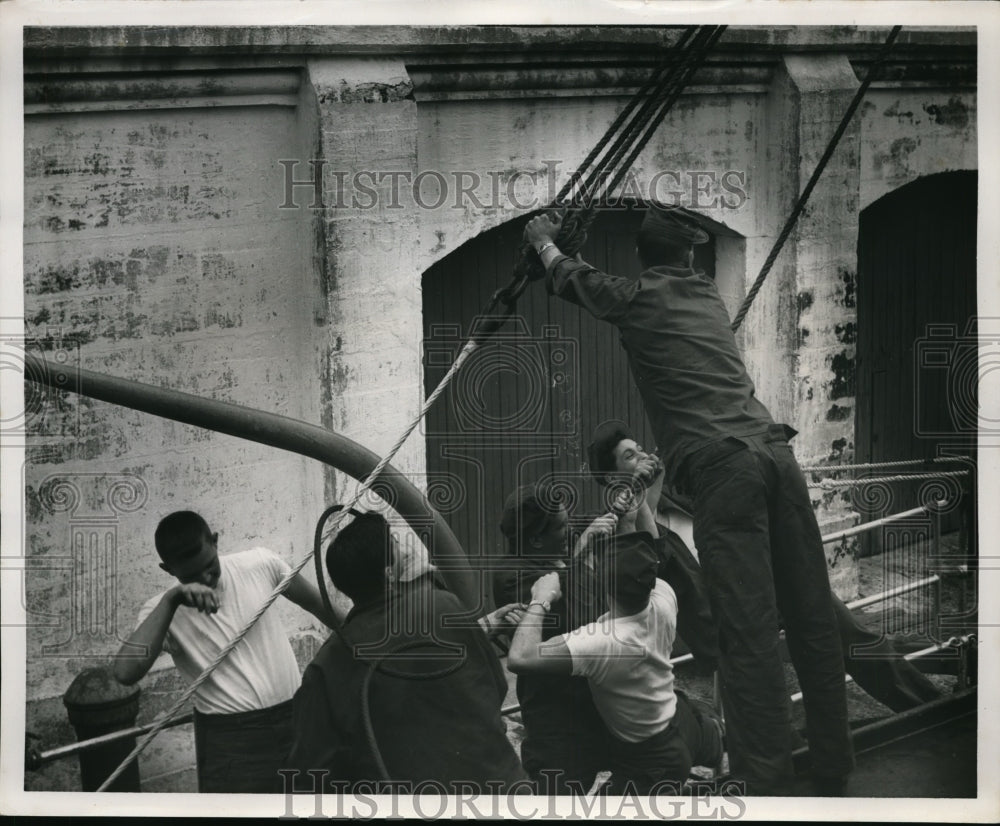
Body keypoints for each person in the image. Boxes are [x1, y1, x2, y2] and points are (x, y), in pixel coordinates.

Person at [524, 204, 853, 795]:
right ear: (691, 258)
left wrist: (546, 244)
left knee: (748, 635)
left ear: (643, 260)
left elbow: (578, 282)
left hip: (726, 471)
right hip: (776, 454)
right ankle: (834, 767)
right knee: (812, 619)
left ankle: (767, 788)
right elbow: (616, 286)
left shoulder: (637, 297)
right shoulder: (706, 295)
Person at [588, 419, 943, 713]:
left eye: (641, 450)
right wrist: (635, 499)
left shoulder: (678, 489)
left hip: (763, 582)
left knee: (850, 632)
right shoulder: (621, 526)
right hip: (726, 617)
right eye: (631, 457)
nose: (646, 459)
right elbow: (652, 561)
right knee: (808, 662)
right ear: (610, 478)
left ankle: (931, 704)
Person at [286, 511, 527, 794]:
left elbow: (311, 770)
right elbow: (496, 688)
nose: (404, 549)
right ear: (389, 572)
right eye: (396, 545)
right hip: (504, 793)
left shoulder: (327, 665)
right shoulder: (443, 606)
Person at [114, 510, 339, 793]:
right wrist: (173, 599)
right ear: (168, 570)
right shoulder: (160, 609)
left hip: (297, 719)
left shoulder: (260, 564)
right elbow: (124, 673)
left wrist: (372, 645)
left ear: (216, 542)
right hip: (231, 741)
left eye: (210, 566)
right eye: (191, 576)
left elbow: (324, 609)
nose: (206, 578)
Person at [507, 534, 724, 795]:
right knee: (712, 741)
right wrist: (638, 507)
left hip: (652, 759)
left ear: (605, 588)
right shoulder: (663, 599)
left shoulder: (603, 642)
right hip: (679, 722)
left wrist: (540, 600)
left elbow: (520, 657)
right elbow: (648, 547)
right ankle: (718, 739)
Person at [493, 482, 620, 795]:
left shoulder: (552, 554)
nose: (570, 529)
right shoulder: (514, 576)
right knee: (558, 799)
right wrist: (582, 554)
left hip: (596, 705)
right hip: (558, 718)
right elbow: (573, 621)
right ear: (536, 539)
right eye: (563, 525)